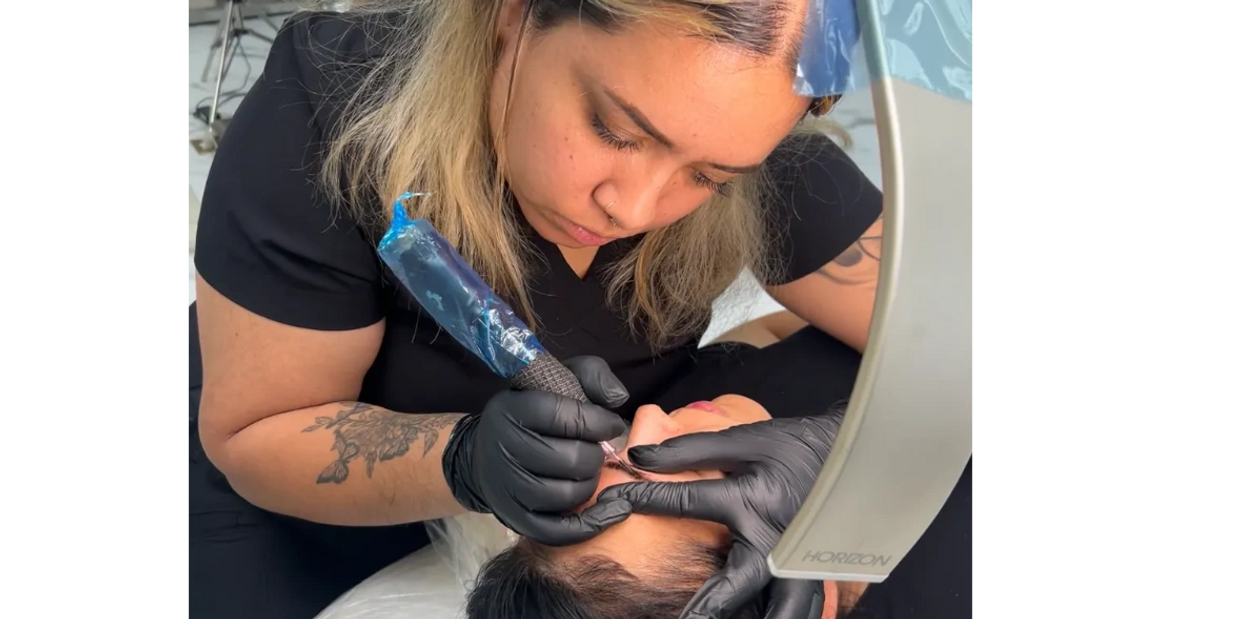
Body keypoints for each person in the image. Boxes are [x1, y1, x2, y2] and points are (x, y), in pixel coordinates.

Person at [186, 0, 893, 617]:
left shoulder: (748, 144)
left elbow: (952, 338)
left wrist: (832, 456)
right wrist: (463, 460)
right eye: (616, 131)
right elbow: (259, 431)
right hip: (296, 479)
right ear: (516, 11)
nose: (635, 209)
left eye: (707, 176)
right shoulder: (334, 110)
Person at [462, 393, 867, 619]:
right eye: (690, 481)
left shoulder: (725, 391)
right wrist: (872, 436)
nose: (649, 413)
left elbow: (775, 334)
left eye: (613, 455)